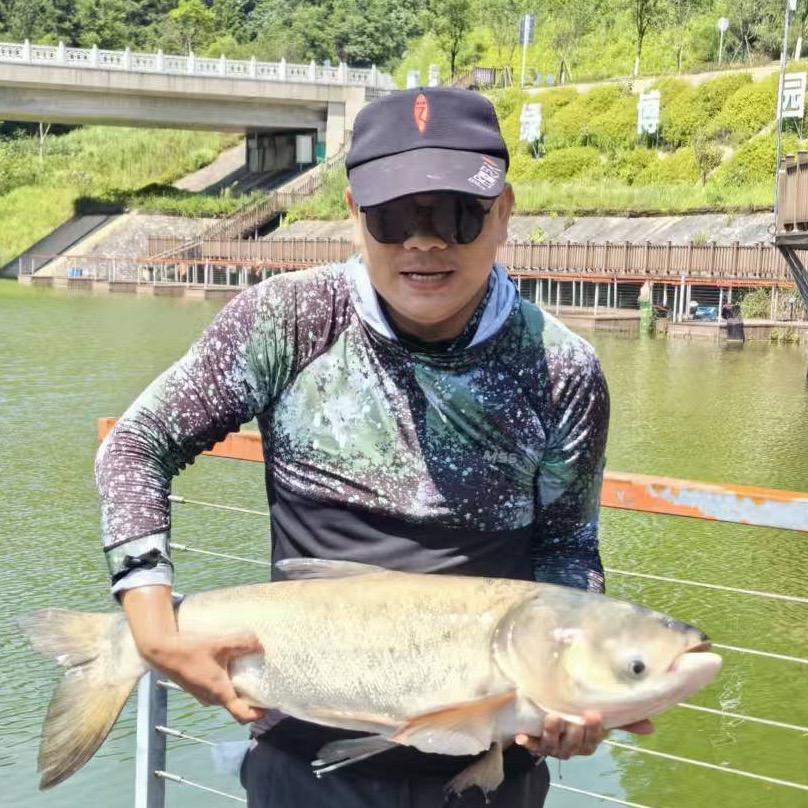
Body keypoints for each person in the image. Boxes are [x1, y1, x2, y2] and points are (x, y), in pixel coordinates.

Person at [95, 87, 650, 808]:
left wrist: (576, 688)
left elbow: (568, 546)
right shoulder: (290, 321)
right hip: (305, 765)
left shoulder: (559, 369)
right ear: (355, 216)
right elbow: (137, 445)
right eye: (392, 216)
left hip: (487, 778)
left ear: (504, 212)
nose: (425, 242)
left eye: (456, 212)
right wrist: (152, 628)